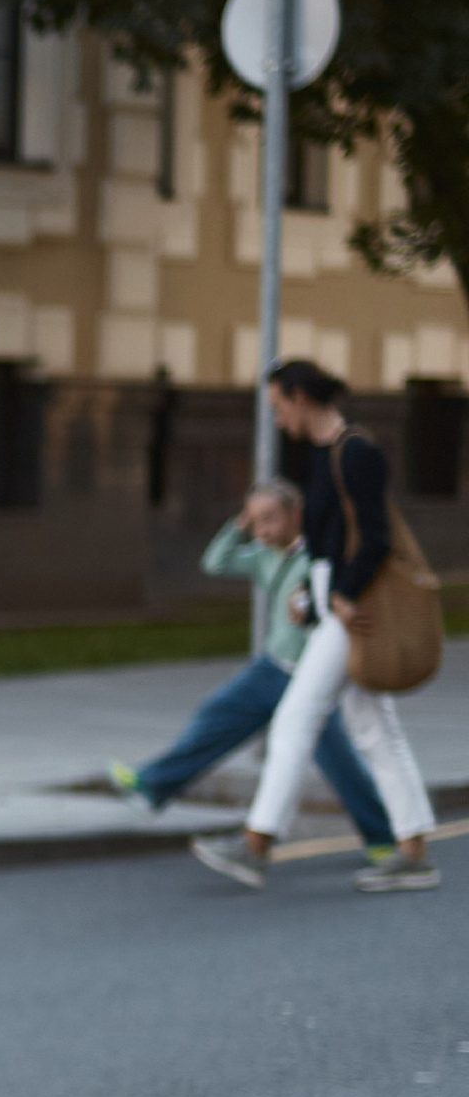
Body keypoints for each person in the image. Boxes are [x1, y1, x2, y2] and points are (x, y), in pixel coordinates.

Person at [192, 360, 439, 895]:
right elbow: (328, 544)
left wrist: (344, 597)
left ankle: (256, 845)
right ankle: (414, 852)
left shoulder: (356, 452)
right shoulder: (325, 455)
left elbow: (374, 535)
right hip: (335, 602)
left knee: (296, 719)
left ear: (301, 397)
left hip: (352, 608)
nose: (279, 420)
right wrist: (312, 597)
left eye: (280, 407)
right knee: (375, 730)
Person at [110, 482, 392, 848]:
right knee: (217, 714)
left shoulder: (316, 558)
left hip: (310, 678)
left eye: (270, 519)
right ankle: (153, 785)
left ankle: (383, 838)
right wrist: (239, 527)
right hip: (271, 669)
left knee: (340, 765)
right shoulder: (263, 555)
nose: (263, 529)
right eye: (256, 520)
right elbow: (215, 563)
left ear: (296, 516)